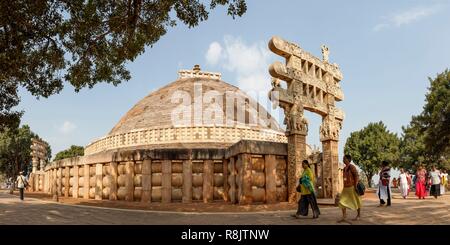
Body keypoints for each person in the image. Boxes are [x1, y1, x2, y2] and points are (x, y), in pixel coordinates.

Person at [337, 155, 361, 223]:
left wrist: (355, 185)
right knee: (342, 201)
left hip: (352, 187)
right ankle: (344, 216)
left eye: (344, 158)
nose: (343, 159)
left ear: (348, 159)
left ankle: (358, 215)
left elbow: (356, 176)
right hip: (346, 188)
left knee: (356, 201)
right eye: (343, 158)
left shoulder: (352, 167)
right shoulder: (344, 168)